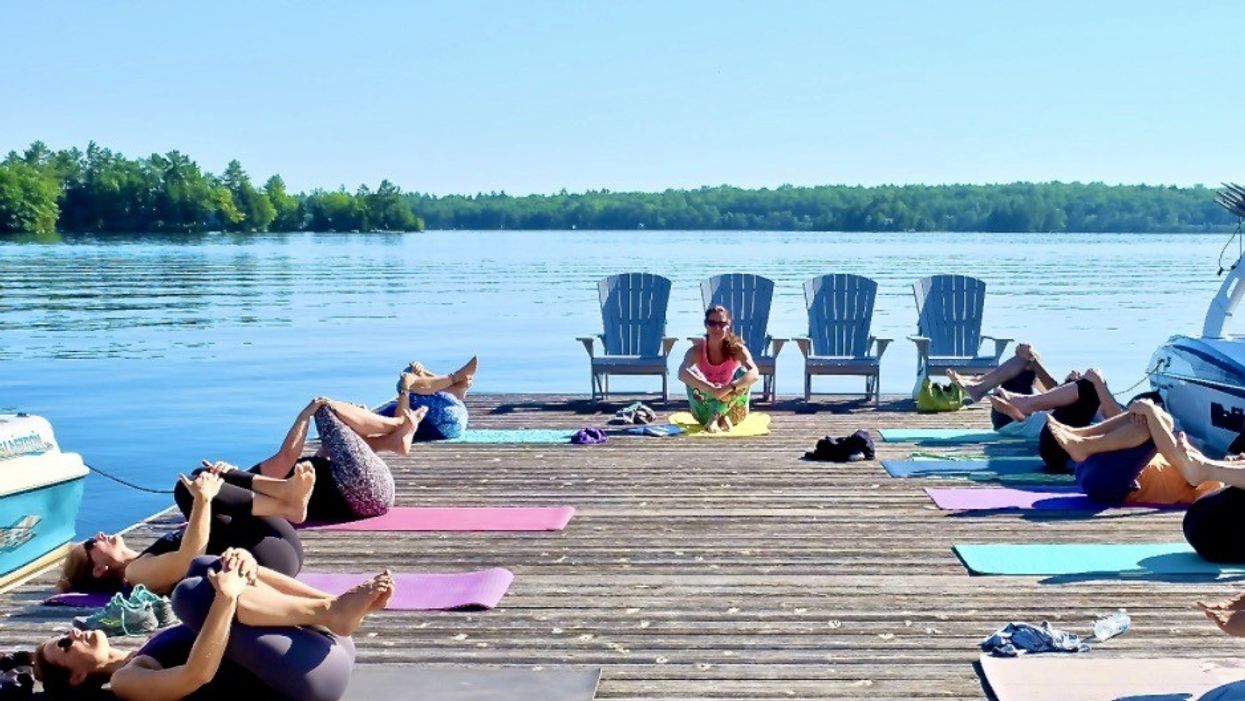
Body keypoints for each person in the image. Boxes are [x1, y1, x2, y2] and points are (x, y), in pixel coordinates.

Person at [33, 549, 393, 701]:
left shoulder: (139, 650)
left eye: (64, 635)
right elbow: (196, 676)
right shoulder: (126, 680)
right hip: (310, 682)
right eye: (65, 646)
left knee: (208, 564)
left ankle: (331, 609)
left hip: (328, 647)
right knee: (189, 596)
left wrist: (244, 563)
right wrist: (227, 597)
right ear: (77, 677)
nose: (72, 634)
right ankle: (330, 609)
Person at [58, 470, 305, 596]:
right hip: (267, 561)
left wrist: (219, 480)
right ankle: (287, 502)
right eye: (91, 543)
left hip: (276, 542)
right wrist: (202, 499)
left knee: (204, 474)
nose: (99, 534)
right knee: (187, 490)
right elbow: (191, 558)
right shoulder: (135, 573)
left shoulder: (142, 559)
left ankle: (286, 496)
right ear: (99, 569)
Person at [677, 306, 761, 433]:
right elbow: (681, 373)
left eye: (722, 324)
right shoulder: (697, 351)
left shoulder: (737, 349)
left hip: (735, 412)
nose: (717, 328)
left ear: (728, 326)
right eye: (712, 323)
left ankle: (716, 417)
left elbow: (755, 374)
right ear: (706, 325)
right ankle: (721, 418)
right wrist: (711, 388)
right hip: (704, 411)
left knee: (744, 374)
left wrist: (727, 388)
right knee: (691, 372)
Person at [372, 358, 478, 441]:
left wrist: (419, 373)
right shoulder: (376, 423)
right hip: (447, 423)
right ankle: (454, 380)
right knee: (407, 383)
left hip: (453, 411)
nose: (361, 406)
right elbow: (401, 423)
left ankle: (454, 386)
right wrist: (404, 389)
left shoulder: (377, 414)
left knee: (409, 374)